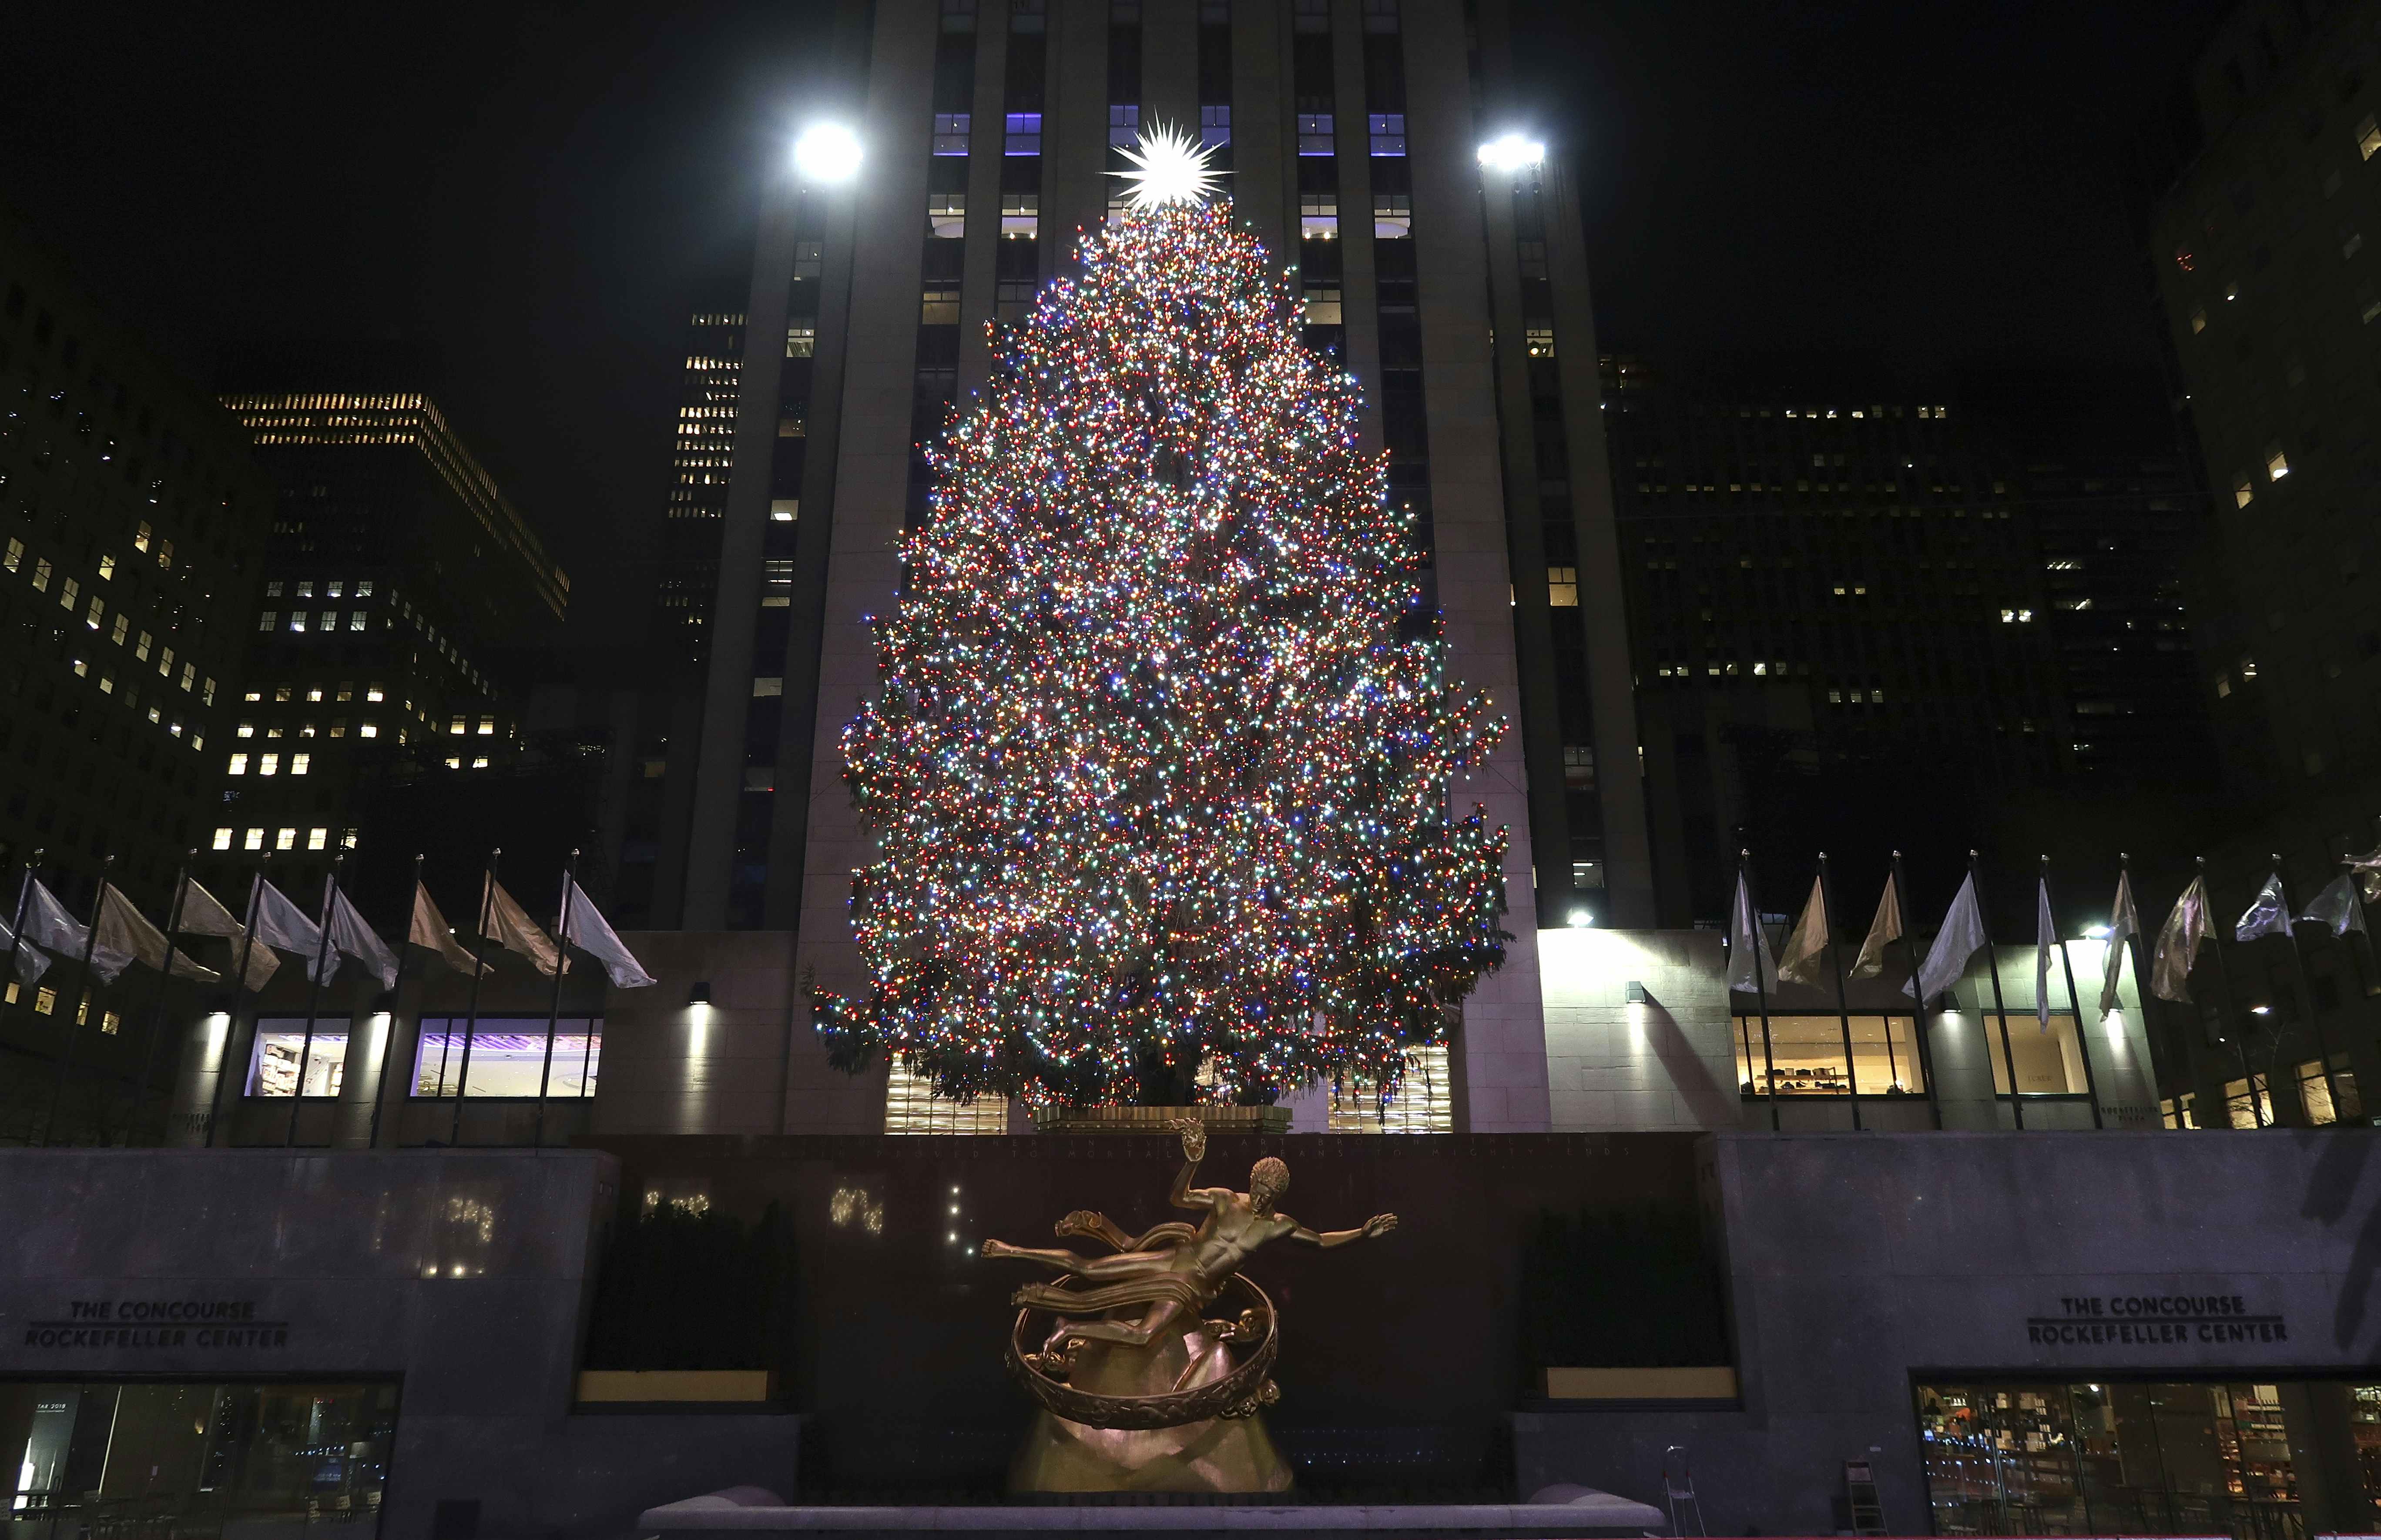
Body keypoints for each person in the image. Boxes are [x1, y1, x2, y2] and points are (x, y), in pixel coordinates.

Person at [983, 1118, 1396, 1362]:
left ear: (1280, 1197)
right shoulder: (1223, 1199)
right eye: (1261, 1191)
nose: (1264, 1200)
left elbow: (1321, 1240)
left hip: (1193, 1288)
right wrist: (1193, 1163)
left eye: (1272, 1196)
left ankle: (1072, 1325)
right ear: (1252, 1182)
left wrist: (1362, 1232)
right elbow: (1178, 1198)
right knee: (1087, 1268)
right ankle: (1010, 1250)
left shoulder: (1280, 1225)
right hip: (1175, 1260)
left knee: (1145, 1336)